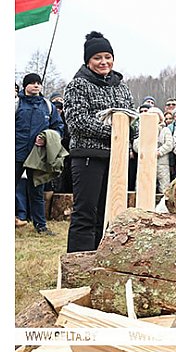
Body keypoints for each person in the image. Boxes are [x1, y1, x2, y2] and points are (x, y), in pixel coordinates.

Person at [64, 31, 135, 252]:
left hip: (116, 158)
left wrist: (134, 132)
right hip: (88, 157)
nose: (103, 62)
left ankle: (100, 257)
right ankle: (78, 261)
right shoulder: (78, 85)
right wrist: (115, 132)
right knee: (86, 213)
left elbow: (131, 117)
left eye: (107, 57)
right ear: (88, 61)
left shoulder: (121, 86)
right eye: (97, 58)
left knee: (108, 213)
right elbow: (77, 122)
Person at [16, 72, 65, 234]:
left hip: (37, 157)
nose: (36, 85)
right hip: (15, 154)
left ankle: (41, 226)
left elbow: (58, 127)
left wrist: (47, 138)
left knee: (37, 192)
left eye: (38, 82)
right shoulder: (16, 104)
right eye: (32, 83)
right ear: (25, 86)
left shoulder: (48, 106)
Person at [132, 107, 174, 194]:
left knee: (164, 187)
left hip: (162, 163)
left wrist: (159, 152)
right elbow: (136, 145)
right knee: (143, 185)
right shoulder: (143, 130)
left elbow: (169, 144)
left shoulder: (165, 130)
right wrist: (144, 151)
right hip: (146, 162)